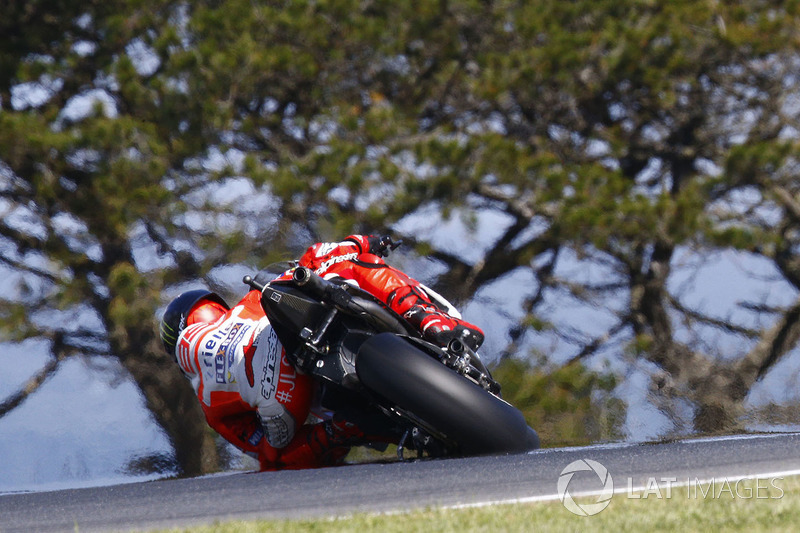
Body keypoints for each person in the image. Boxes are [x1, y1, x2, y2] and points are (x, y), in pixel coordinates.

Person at [158, 234, 484, 470]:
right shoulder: (249, 303)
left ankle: (395, 431)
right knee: (352, 261)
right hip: (307, 384)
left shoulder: (212, 406)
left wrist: (332, 435)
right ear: (213, 308)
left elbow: (271, 456)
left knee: (309, 444)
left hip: (311, 405)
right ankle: (431, 321)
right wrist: (364, 241)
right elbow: (322, 255)